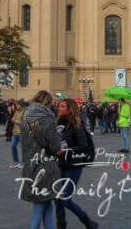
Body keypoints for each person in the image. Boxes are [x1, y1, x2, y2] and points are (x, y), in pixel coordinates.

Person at [20, 90, 65, 229]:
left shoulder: (26, 115)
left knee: (46, 206)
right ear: (48, 102)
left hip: (30, 164)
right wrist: (58, 134)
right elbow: (54, 145)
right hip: (45, 167)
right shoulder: (47, 117)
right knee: (39, 208)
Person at [55, 98, 99, 229]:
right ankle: (61, 225)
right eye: (59, 106)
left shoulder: (77, 125)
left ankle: (88, 222)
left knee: (65, 199)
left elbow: (83, 146)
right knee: (58, 198)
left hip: (74, 166)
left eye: (62, 106)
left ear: (70, 110)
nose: (59, 108)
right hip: (61, 164)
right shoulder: (58, 125)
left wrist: (66, 150)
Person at [9, 100, 25, 169]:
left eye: (17, 104)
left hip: (22, 133)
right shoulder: (16, 111)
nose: (16, 105)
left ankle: (24, 163)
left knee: (23, 149)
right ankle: (16, 162)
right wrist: (13, 120)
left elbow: (24, 123)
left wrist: (15, 121)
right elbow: (13, 119)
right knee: (13, 146)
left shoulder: (25, 112)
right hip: (15, 132)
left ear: (21, 105)